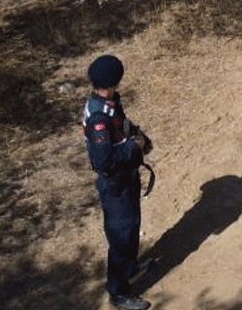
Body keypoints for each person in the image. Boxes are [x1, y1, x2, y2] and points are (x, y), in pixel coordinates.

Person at [82, 55, 153, 310]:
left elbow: (123, 126)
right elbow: (104, 161)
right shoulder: (98, 117)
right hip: (115, 185)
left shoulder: (110, 102)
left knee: (133, 224)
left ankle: (131, 266)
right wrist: (135, 149)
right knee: (121, 237)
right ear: (113, 81)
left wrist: (140, 137)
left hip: (127, 178)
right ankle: (119, 292)